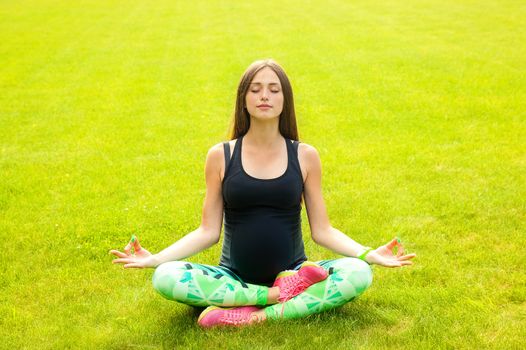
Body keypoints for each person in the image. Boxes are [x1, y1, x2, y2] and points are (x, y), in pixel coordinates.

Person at [110, 58, 416, 328]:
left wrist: (369, 254)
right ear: (243, 99)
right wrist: (157, 259)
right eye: (255, 89)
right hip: (233, 278)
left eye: (273, 88)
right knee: (165, 277)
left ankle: (253, 316)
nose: (265, 96)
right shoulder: (221, 155)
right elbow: (207, 231)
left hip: (296, 272)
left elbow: (322, 230)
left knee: (359, 273)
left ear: (286, 99)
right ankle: (273, 296)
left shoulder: (305, 156)